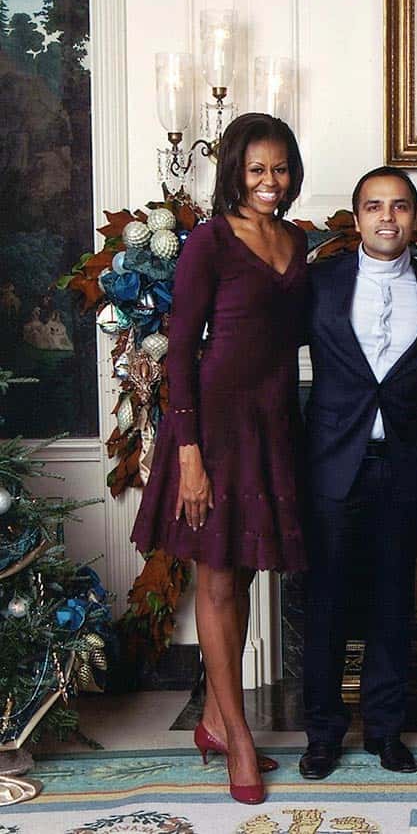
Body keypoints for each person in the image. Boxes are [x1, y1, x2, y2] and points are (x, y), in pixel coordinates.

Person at [131, 112, 309, 806]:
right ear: (233, 169)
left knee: (245, 578)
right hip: (213, 428)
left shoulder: (297, 240)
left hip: (272, 423)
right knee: (216, 582)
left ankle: (212, 718)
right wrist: (190, 456)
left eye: (282, 168)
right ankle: (236, 733)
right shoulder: (208, 241)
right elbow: (179, 351)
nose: (271, 181)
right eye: (258, 168)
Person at [299, 166, 417, 781]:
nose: (387, 218)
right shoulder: (318, 284)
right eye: (374, 207)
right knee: (327, 604)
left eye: (399, 207)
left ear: (415, 219)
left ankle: (386, 732)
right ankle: (322, 735)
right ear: (356, 217)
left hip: (405, 467)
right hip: (332, 466)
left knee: (394, 606)